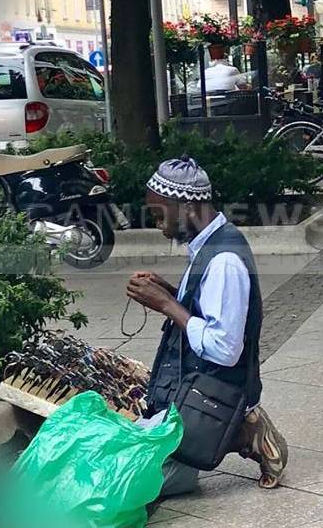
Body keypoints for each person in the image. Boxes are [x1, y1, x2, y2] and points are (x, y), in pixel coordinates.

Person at [125, 156, 287, 494]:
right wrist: (167, 292)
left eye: (159, 215)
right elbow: (205, 311)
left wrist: (167, 305)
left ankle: (241, 429)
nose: (159, 225)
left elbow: (225, 349)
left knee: (127, 484)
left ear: (184, 207)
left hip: (211, 393)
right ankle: (238, 428)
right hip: (190, 393)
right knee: (119, 457)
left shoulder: (224, 260)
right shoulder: (207, 246)